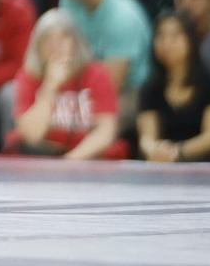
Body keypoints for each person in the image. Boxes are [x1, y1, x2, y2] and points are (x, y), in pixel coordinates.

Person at [8, 9, 125, 159]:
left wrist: (70, 160)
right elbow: (32, 135)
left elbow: (106, 130)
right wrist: (50, 86)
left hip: (86, 158)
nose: (55, 46)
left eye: (63, 38)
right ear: (37, 47)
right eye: (47, 40)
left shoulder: (96, 74)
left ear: (76, 43)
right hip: (42, 158)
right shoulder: (28, 77)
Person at [55, 0, 153, 98]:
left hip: (130, 91)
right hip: (82, 82)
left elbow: (111, 84)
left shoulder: (123, 17)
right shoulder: (69, 0)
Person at [137, 12, 210, 162]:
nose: (166, 43)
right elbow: (146, 137)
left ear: (191, 40)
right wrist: (154, 150)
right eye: (160, 36)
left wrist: (177, 152)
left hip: (201, 163)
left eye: (174, 36)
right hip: (160, 161)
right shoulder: (150, 86)